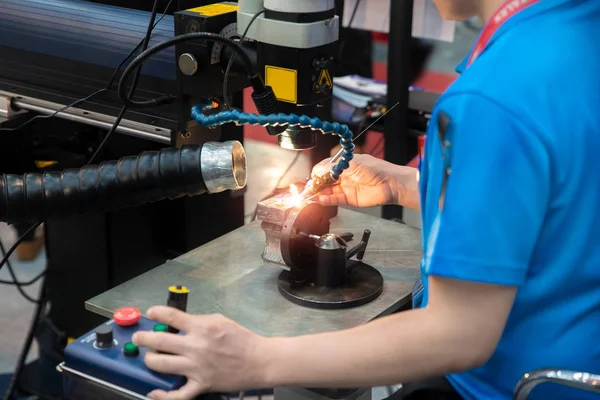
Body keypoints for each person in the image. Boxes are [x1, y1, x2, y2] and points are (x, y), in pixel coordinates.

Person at [132, 0, 600, 399]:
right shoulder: (576, 30)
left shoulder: (493, 98)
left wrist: (257, 356)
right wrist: (404, 184)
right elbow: (563, 192)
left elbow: (459, 334)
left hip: (503, 385)